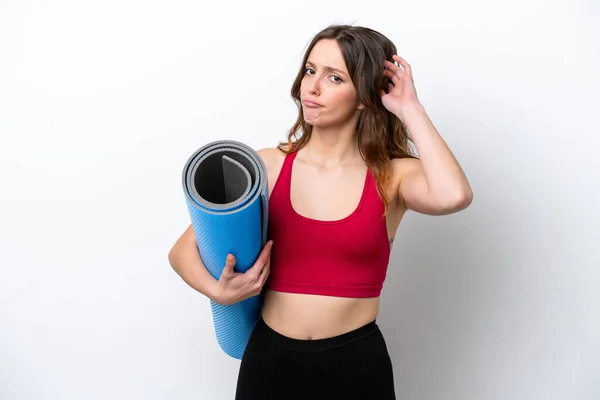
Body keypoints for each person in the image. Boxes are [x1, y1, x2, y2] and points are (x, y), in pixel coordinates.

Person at [168, 24, 473, 400]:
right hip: (269, 362)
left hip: (357, 366)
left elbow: (454, 195)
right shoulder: (268, 166)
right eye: (310, 70)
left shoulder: (392, 176)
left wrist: (409, 107)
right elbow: (182, 252)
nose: (311, 87)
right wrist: (220, 291)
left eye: (334, 77)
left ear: (365, 95)